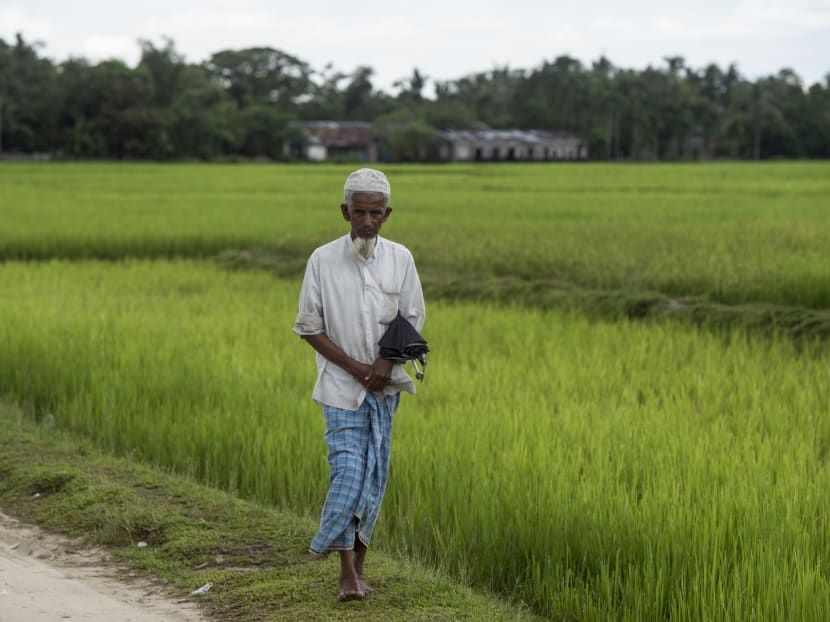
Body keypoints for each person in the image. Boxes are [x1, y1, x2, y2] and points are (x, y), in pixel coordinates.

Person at [293, 168, 426, 602]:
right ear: (344, 211)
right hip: (339, 388)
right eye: (359, 212)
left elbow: (412, 318)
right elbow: (309, 326)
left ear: (387, 214)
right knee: (348, 471)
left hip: (384, 390)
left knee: (374, 478)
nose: (366, 221)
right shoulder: (321, 260)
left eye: (375, 213)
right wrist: (355, 366)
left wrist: (385, 364)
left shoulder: (401, 259)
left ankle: (360, 566)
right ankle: (346, 572)